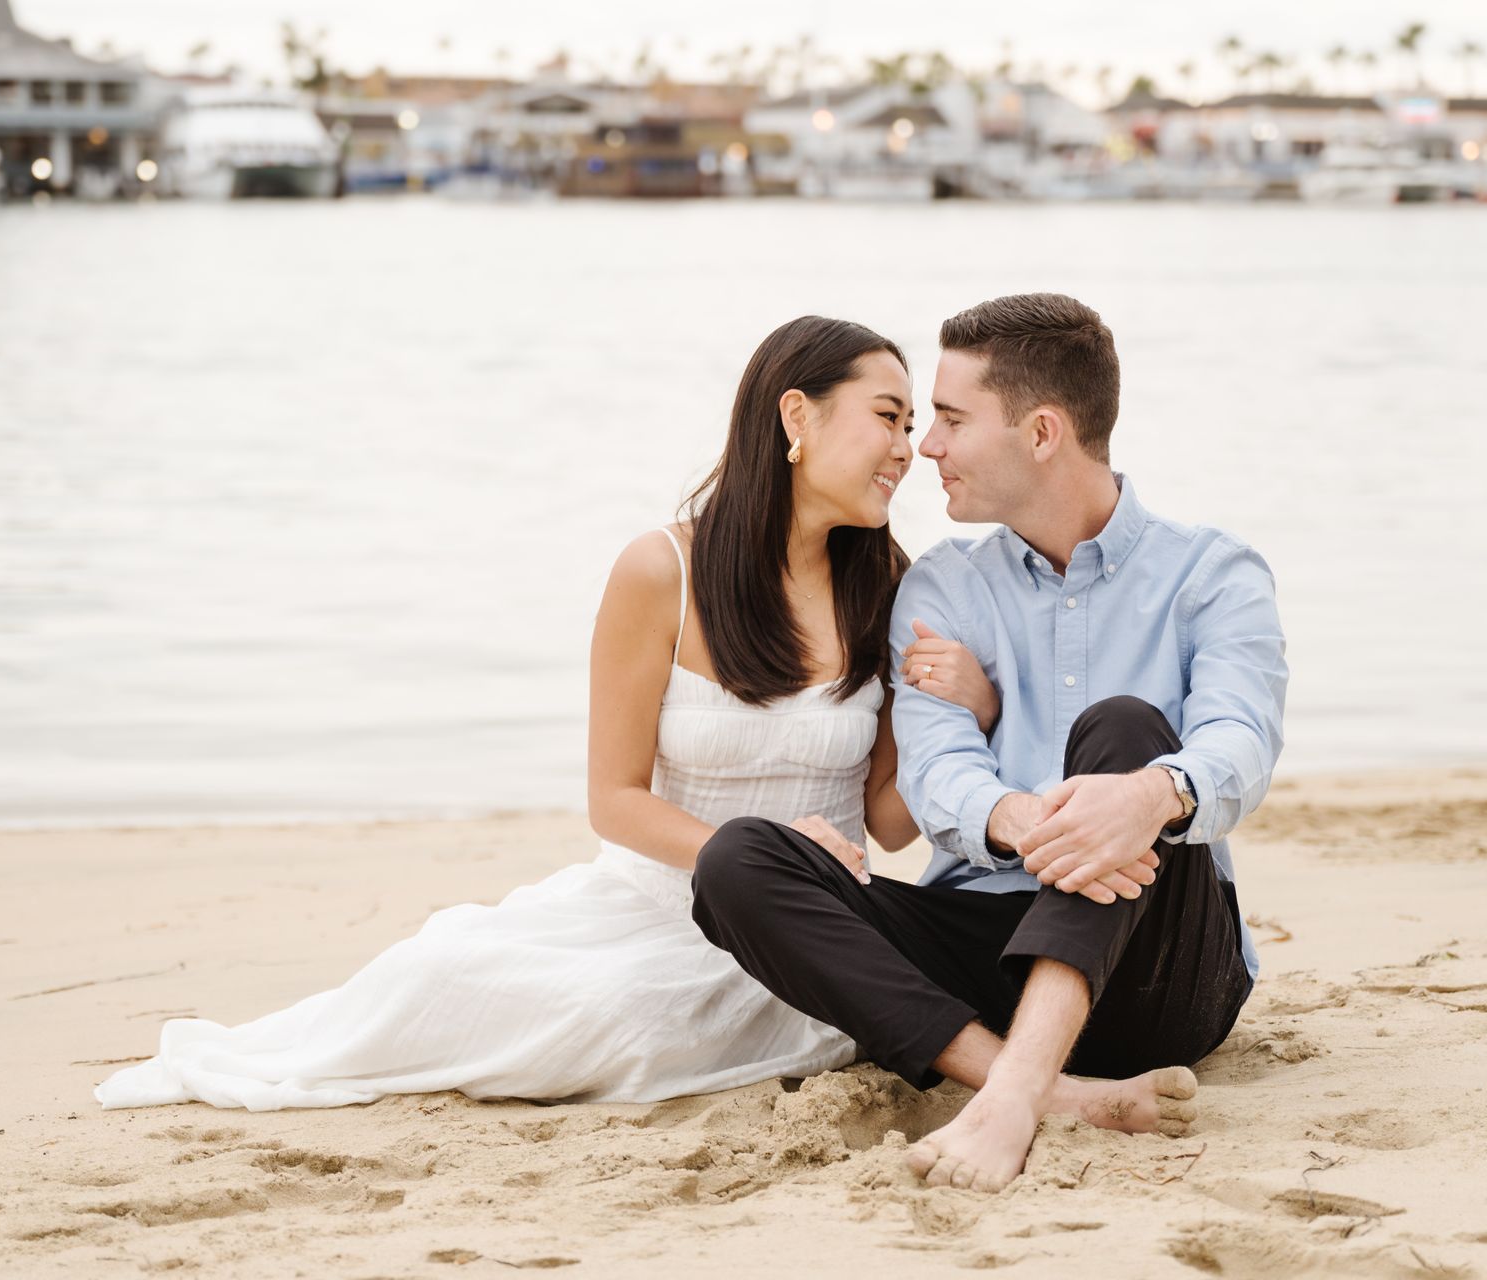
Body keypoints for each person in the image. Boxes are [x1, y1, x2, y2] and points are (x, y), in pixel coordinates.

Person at [95, 315, 1000, 1110]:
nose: (907, 449)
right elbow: (615, 800)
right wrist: (757, 856)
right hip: (657, 906)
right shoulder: (661, 573)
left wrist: (971, 711)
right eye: (889, 416)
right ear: (797, 416)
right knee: (455, 977)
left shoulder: (887, 584)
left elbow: (885, 822)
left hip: (814, 932)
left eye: (915, 425)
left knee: (639, 1021)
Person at [691, 293, 1287, 1191]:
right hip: (986, 951)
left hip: (1162, 964)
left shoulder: (1212, 574)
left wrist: (1148, 796)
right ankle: (1052, 1090)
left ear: (1042, 433)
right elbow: (935, 777)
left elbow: (1241, 738)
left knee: (1127, 731)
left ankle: (1011, 1097)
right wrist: (1021, 818)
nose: (925, 445)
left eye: (951, 419)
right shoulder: (941, 588)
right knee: (739, 861)